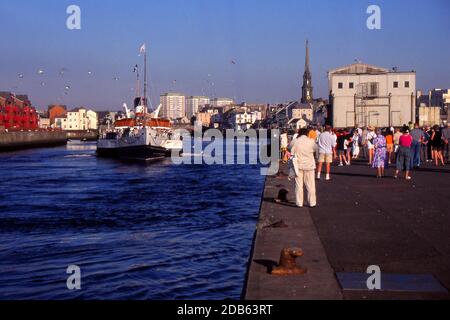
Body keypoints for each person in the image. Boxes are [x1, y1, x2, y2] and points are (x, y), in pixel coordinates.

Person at [290, 128, 317, 208]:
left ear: (299, 133)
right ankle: (312, 203)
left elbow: (289, 148)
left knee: (298, 185)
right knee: (310, 185)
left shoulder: (295, 141)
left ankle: (299, 203)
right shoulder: (311, 141)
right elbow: (315, 149)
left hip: (298, 166)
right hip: (309, 166)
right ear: (307, 133)